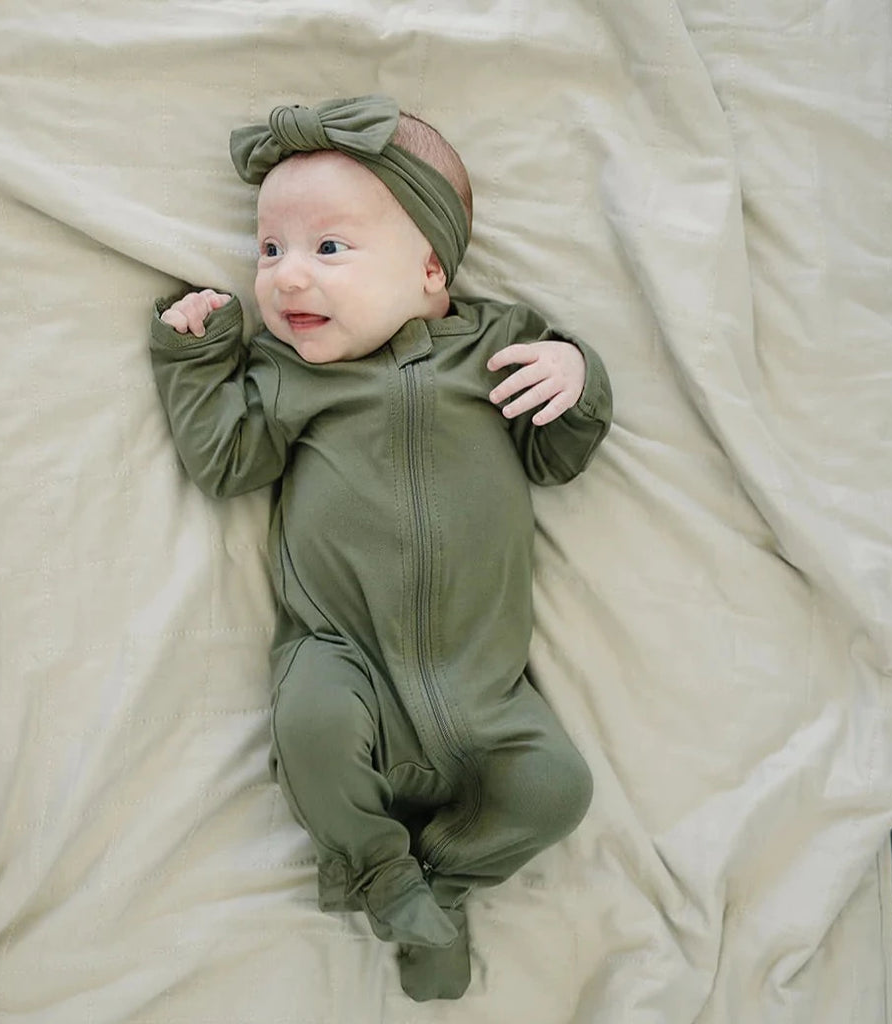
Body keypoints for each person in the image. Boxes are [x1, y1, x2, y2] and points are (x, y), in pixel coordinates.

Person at [149, 95, 612, 1001]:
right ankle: (380, 874)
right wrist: (197, 360)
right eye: (270, 250)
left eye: (329, 249)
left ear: (432, 272)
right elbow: (224, 462)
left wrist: (577, 374)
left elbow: (558, 455)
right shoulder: (285, 379)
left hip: (486, 691)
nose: (284, 280)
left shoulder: (497, 346)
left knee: (558, 789)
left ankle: (438, 880)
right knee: (310, 730)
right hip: (343, 658)